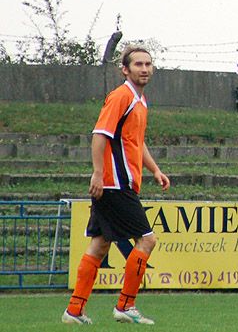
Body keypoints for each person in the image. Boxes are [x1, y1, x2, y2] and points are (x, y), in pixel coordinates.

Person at [62, 45, 170, 325]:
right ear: (125, 69)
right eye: (138, 64)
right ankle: (126, 305)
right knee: (147, 240)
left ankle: (74, 311)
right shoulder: (121, 96)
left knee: (99, 245)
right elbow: (100, 134)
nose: (144, 69)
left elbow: (136, 141)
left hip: (119, 183)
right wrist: (98, 174)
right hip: (114, 184)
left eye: (148, 64)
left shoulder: (139, 100)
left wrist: (155, 170)